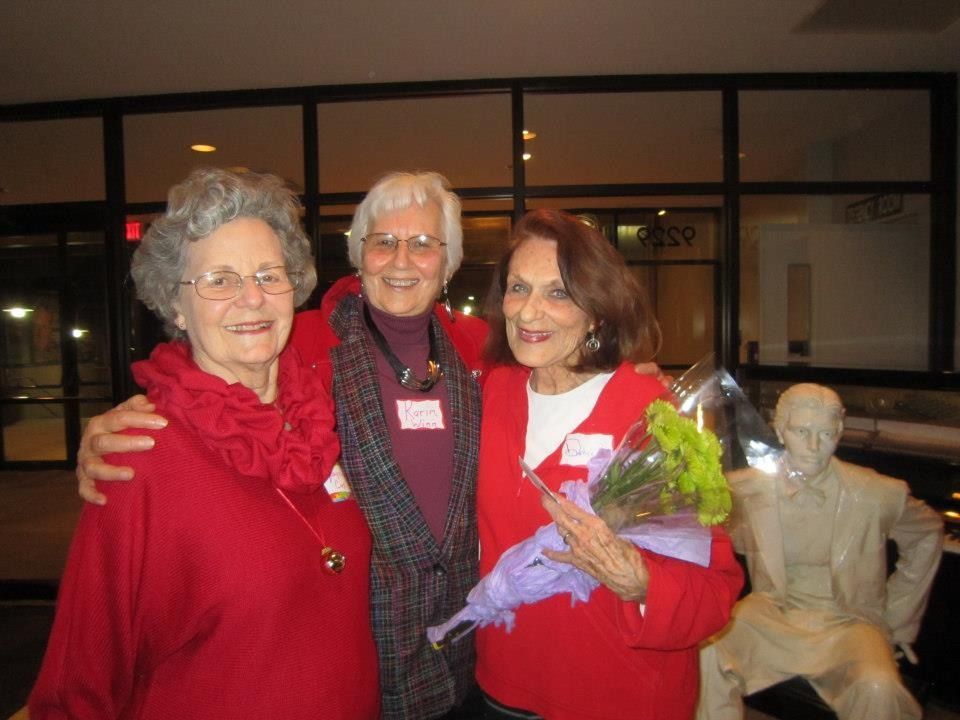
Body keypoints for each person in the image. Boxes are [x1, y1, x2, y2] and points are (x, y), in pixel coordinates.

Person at [73, 171, 489, 720]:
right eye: (383, 241)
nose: (401, 259)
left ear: (450, 260)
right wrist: (108, 433)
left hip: (455, 653)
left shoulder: (482, 349)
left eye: (423, 244)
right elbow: (212, 379)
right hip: (368, 650)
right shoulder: (304, 341)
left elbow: (559, 381)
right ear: (357, 255)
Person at [28, 168, 380, 719]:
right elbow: (79, 684)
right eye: (219, 279)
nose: (252, 298)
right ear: (174, 304)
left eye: (269, 274)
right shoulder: (140, 457)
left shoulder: (315, 418)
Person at [474, 208, 744, 720]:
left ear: (597, 311)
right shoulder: (491, 394)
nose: (530, 313)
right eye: (518, 287)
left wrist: (642, 581)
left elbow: (715, 591)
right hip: (503, 684)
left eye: (558, 293)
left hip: (616, 696)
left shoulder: (651, 418)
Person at [696, 383, 944, 720]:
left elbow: (928, 533)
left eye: (826, 434)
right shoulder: (745, 489)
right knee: (707, 652)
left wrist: (897, 619)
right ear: (780, 431)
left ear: (839, 433)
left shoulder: (877, 493)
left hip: (848, 622)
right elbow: (699, 533)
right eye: (801, 431)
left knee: (878, 687)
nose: (814, 447)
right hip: (772, 612)